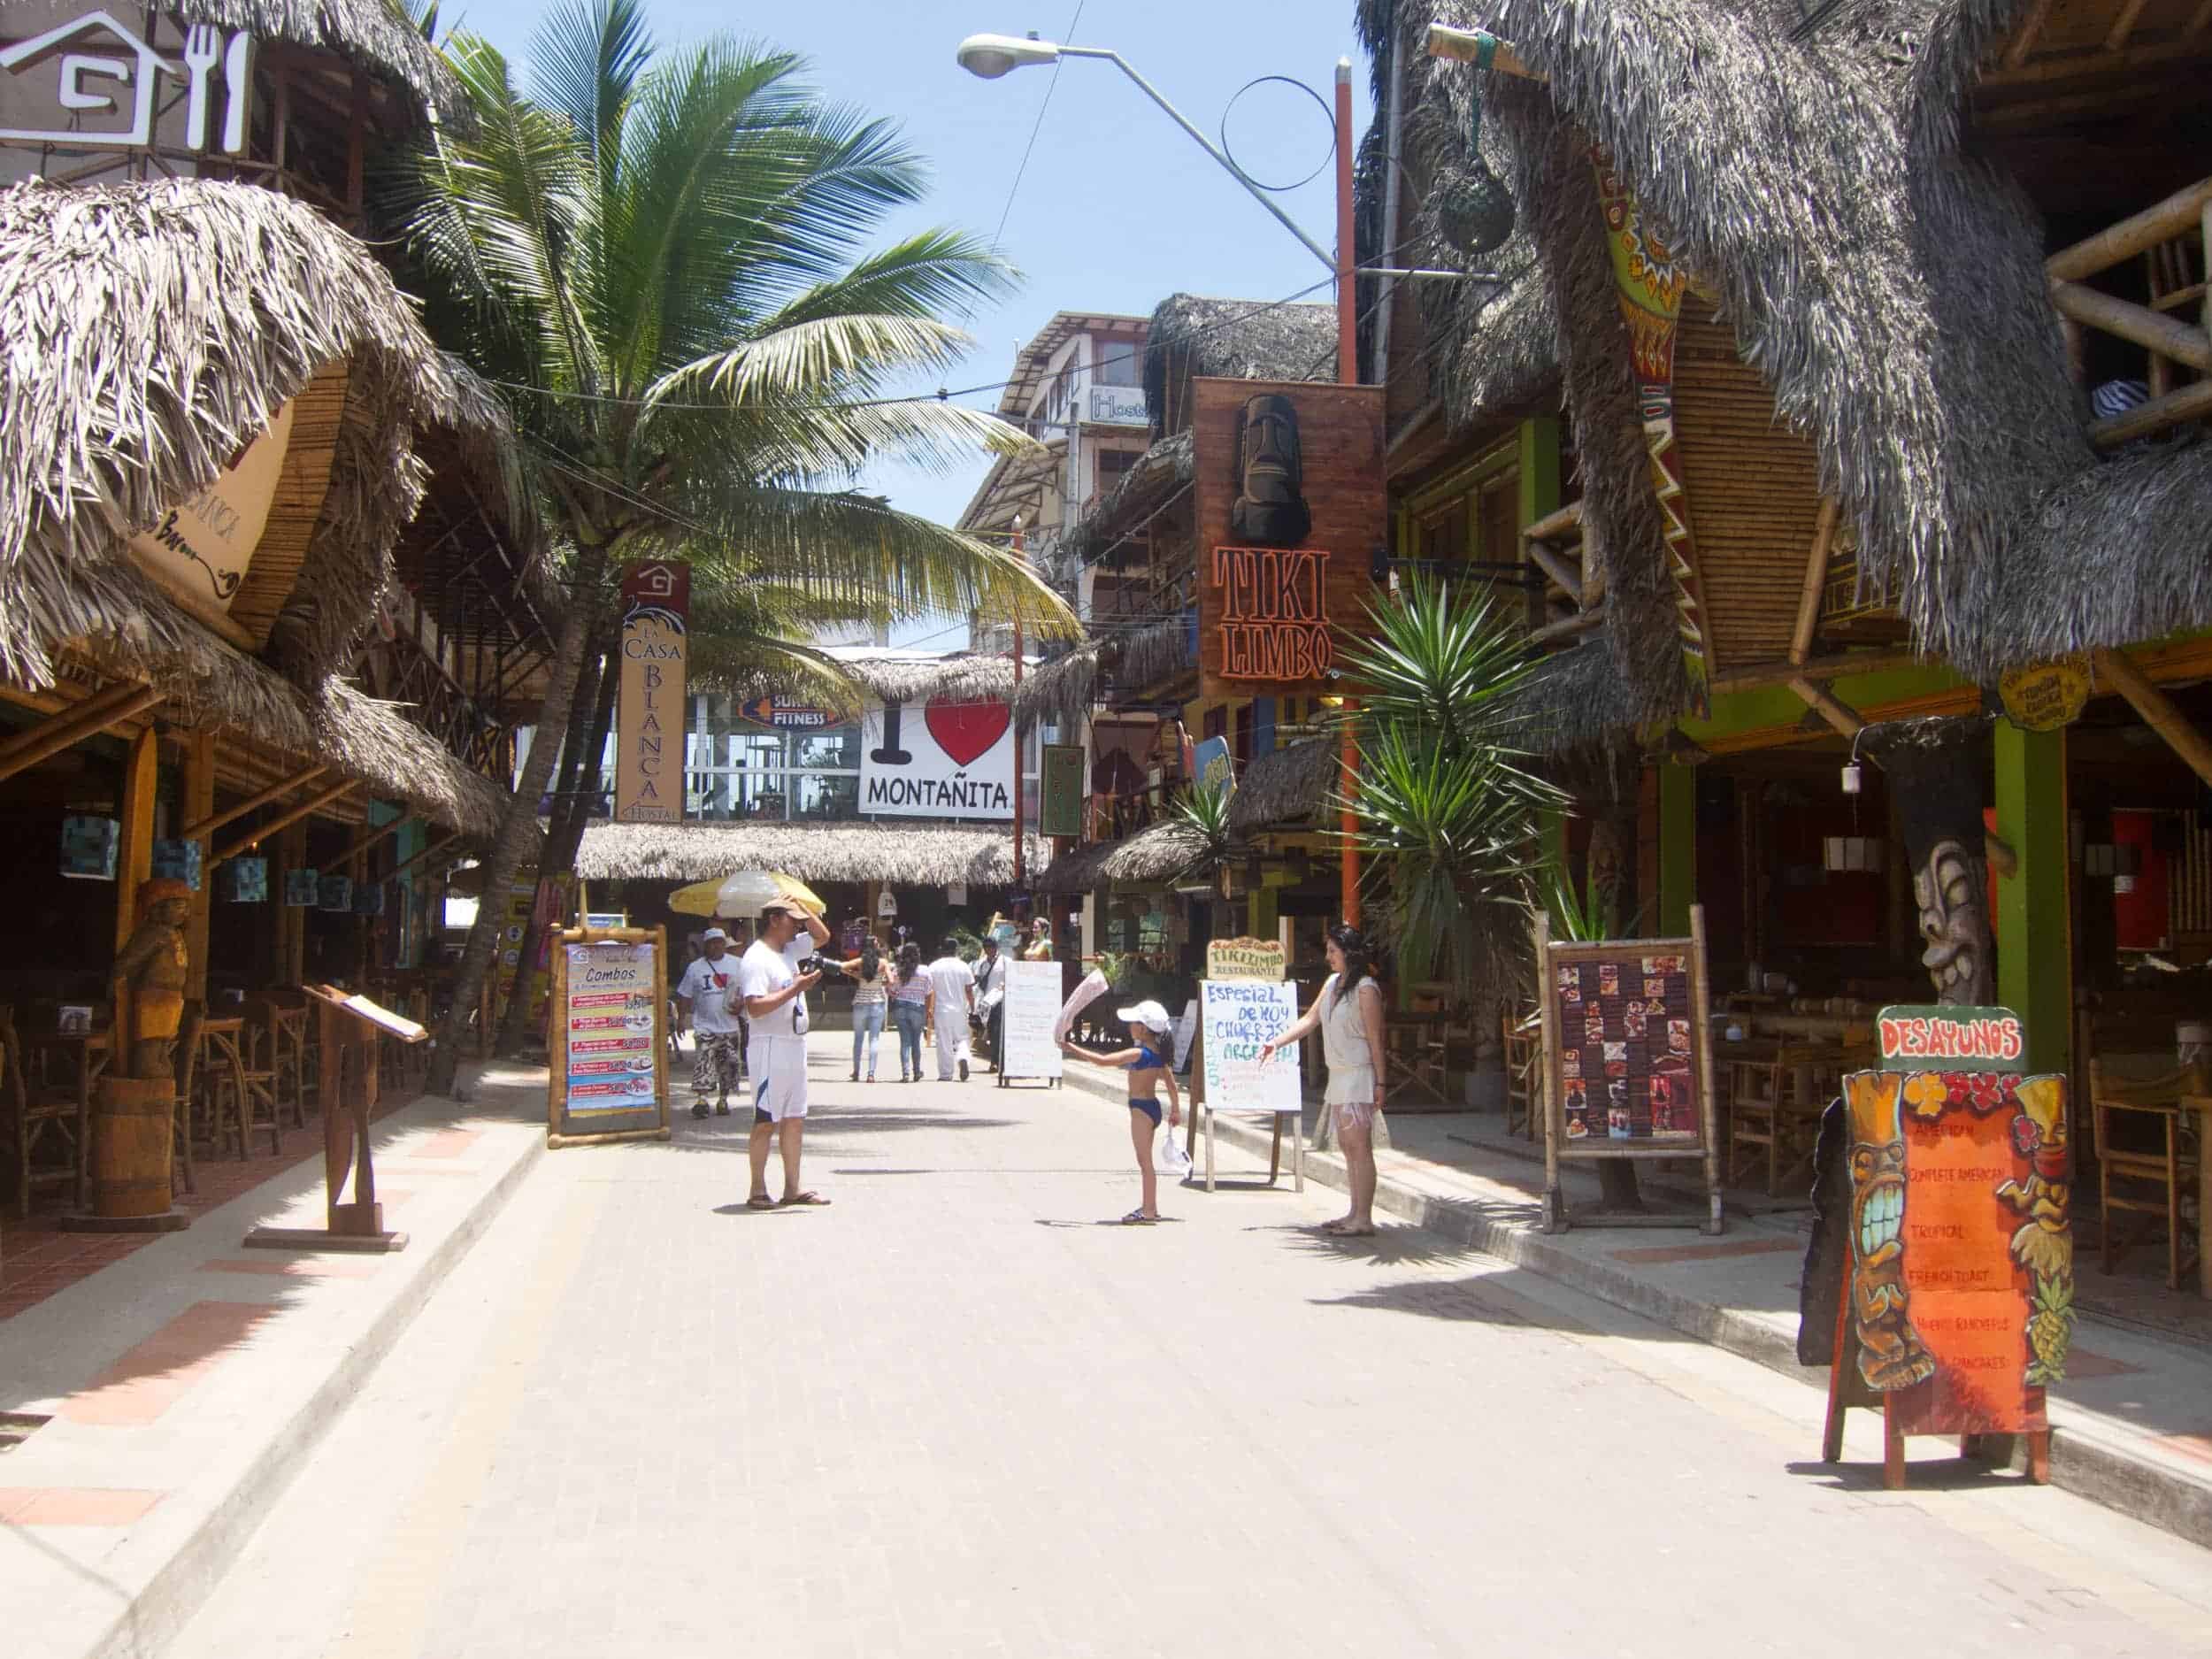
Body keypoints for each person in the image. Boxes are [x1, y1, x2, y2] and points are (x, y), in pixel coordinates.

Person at [1260, 924, 1386, 1236]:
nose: (1328, 957)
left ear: (1349, 953)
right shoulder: (1332, 984)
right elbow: (1309, 1020)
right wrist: (1276, 1042)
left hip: (1359, 1075)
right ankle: (1354, 1212)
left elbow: (1375, 1039)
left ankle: (1364, 1218)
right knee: (1347, 1145)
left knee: (1359, 1146)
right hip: (1339, 1076)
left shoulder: (1367, 988)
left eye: (1333, 951)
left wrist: (1381, 1083)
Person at [736, 898, 831, 1209]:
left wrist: (803, 909)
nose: (798, 926)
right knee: (766, 1120)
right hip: (769, 1046)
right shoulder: (756, 957)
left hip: (794, 1044)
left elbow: (823, 937)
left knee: (794, 1118)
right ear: (775, 920)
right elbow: (754, 1006)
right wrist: (796, 988)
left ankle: (793, 1188)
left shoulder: (789, 950)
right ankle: (757, 1188)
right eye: (792, 920)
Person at [1059, 998, 1182, 1225]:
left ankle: (1147, 1211)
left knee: (1145, 1162)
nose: (1129, 1026)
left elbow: (1103, 1060)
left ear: (1143, 1029)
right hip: (1151, 1108)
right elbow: (1172, 1086)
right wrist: (1175, 1110)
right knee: (1145, 1161)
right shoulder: (1159, 1057)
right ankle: (1150, 1208)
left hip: (1141, 1110)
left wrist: (1071, 1047)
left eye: (1133, 1023)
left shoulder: (1139, 1054)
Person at [673, 927, 744, 1118]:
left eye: (720, 942)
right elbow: (685, 995)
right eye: (712, 943)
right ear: (706, 946)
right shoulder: (695, 968)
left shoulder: (738, 964)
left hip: (730, 1025)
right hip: (705, 1025)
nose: (716, 946)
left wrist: (742, 1006)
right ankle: (702, 1100)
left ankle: (723, 1100)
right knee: (703, 1061)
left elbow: (748, 990)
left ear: (725, 944)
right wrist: (681, 1019)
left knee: (728, 1065)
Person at [925, 935, 976, 1081]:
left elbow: (929, 990)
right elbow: (969, 991)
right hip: (960, 1009)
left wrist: (928, 1009)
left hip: (941, 1009)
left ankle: (946, 1074)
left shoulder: (934, 966)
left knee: (943, 1041)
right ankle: (963, 1057)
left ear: (942, 949)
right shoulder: (964, 966)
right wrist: (972, 1008)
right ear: (956, 950)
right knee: (963, 1038)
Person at [839, 935, 890, 1082]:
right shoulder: (883, 963)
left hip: (860, 1003)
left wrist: (854, 974)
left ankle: (856, 1072)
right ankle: (871, 1074)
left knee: (858, 1039)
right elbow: (891, 981)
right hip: (878, 1002)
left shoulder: (860, 961)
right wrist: (881, 982)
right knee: (874, 1039)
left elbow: (842, 967)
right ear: (876, 947)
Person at [888, 941, 929, 1083]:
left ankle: (905, 1073)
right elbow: (928, 991)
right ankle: (917, 1072)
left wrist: (894, 994)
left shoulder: (898, 970)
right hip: (917, 1007)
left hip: (900, 1007)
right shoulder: (925, 971)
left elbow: (892, 991)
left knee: (905, 1042)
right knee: (916, 1042)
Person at [970, 935, 1004, 1072]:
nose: (989, 950)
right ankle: (995, 1061)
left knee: (998, 1031)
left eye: (991, 947)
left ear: (996, 948)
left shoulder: (1005, 961)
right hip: (986, 1003)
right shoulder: (981, 963)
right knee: (991, 1031)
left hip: (1001, 1001)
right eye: (986, 947)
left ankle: (996, 1062)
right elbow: (976, 980)